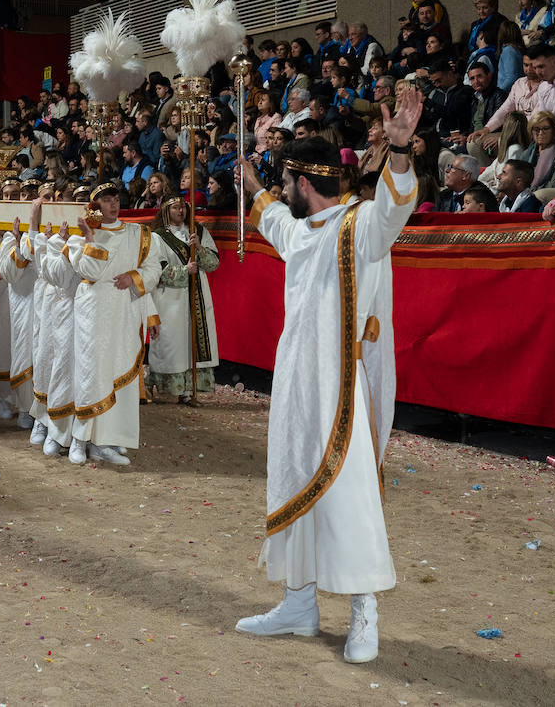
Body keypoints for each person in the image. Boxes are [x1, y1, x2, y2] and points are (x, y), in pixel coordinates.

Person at [234, 88, 423, 664]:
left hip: (343, 387)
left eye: (286, 181)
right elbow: (272, 217)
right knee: (295, 481)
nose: (282, 191)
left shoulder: (361, 228)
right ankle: (298, 603)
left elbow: (395, 209)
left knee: (348, 494)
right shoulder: (302, 232)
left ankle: (365, 607)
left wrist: (399, 153)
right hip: (295, 385)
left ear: (306, 183)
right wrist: (250, 180)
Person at [67, 182, 162, 466]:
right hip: (93, 311)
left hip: (125, 311)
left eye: (115, 199)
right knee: (91, 371)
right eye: (105, 200)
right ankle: (80, 438)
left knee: (120, 372)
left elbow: (154, 268)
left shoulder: (139, 234)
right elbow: (85, 270)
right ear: (94, 206)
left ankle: (108, 440)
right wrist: (88, 237)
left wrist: (133, 278)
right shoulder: (79, 236)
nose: (112, 205)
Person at [145, 197, 220, 407]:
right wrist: (183, 271)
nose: (180, 211)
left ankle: (187, 390)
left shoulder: (199, 232)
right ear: (166, 210)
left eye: (183, 207)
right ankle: (153, 384)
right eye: (175, 207)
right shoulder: (158, 237)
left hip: (197, 295)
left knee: (191, 343)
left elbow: (214, 263)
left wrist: (200, 249)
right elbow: (157, 270)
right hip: (170, 298)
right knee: (170, 343)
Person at [24, 199, 81, 457]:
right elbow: (37, 262)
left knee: (69, 366)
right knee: (45, 357)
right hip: (48, 301)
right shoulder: (49, 234)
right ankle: (42, 419)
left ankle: (67, 431)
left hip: (76, 303)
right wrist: (34, 225)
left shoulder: (85, 234)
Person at [0, 216, 37, 431]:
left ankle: (30, 407)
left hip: (37, 297)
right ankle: (4, 397)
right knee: (6, 350)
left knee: (33, 352)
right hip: (9, 297)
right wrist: (13, 242)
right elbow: (5, 270)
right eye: (7, 195)